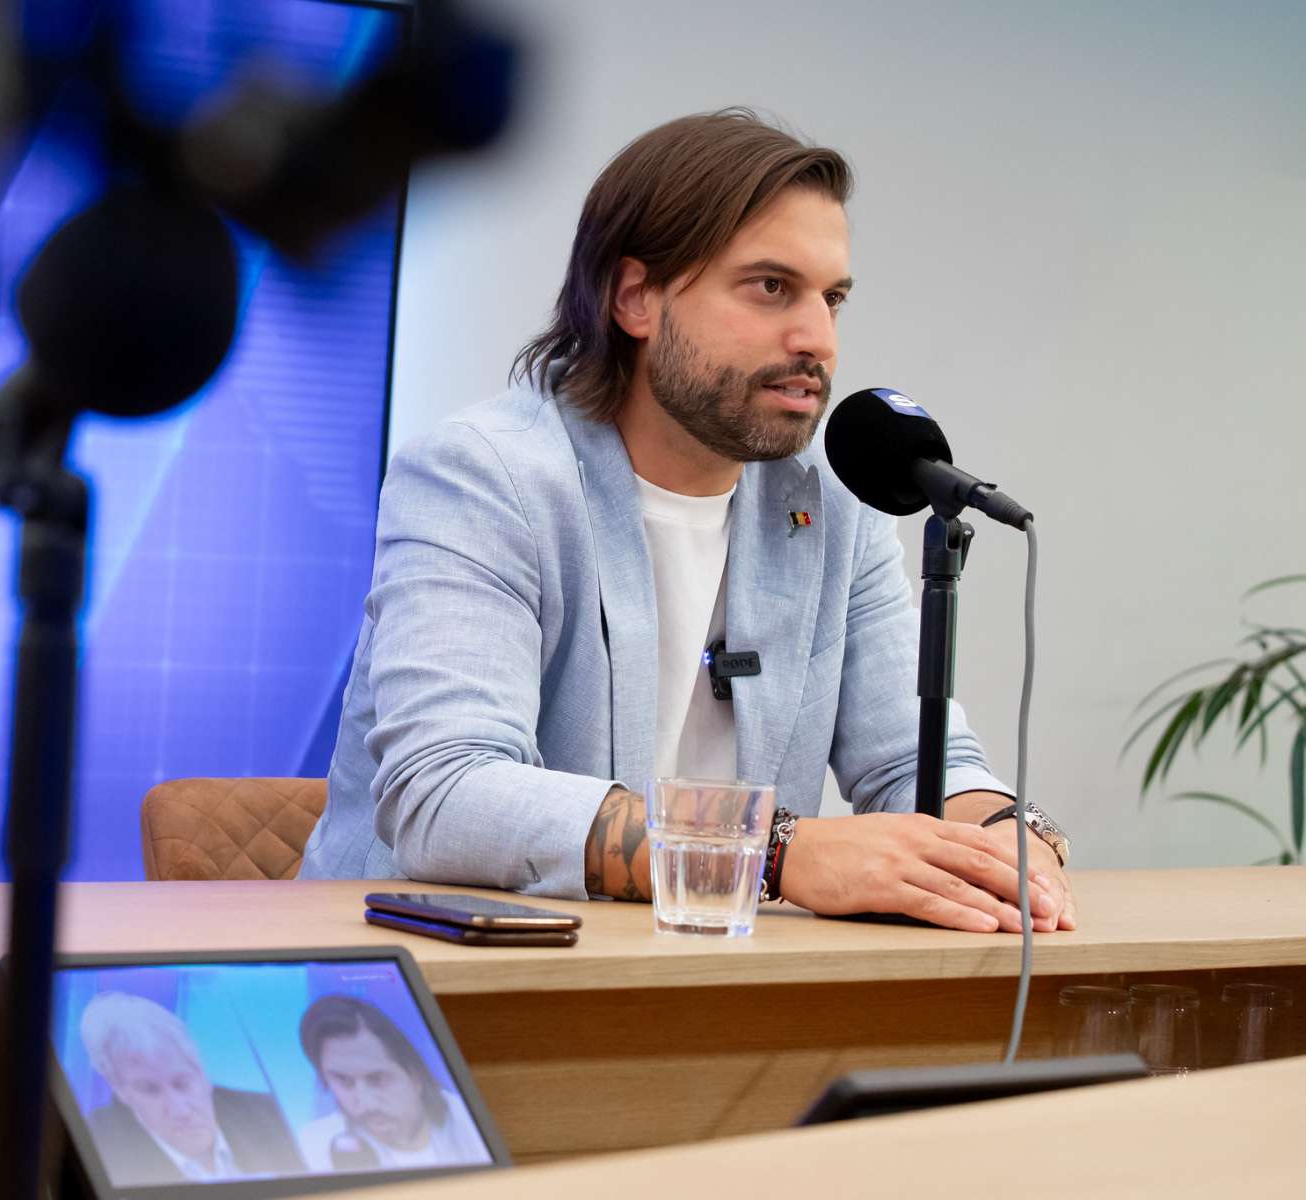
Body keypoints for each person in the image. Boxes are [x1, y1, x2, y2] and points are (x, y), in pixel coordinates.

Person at [299, 109, 1077, 933]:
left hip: (700, 985)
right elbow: (445, 793)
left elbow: (917, 762)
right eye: (772, 287)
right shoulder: (481, 477)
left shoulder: (831, 505)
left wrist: (1009, 842)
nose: (818, 339)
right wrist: (777, 853)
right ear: (636, 297)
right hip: (420, 995)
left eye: (833, 299)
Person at [78, 991, 304, 1185]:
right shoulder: (90, 1145)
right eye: (150, 1090)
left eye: (183, 1083)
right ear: (120, 1089)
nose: (180, 1110)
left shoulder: (269, 1114)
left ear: (202, 1073)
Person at [296, 995, 489, 1171]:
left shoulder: (470, 1121)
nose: (366, 1104)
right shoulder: (314, 1145)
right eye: (343, 1081)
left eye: (377, 1079)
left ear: (415, 1076)